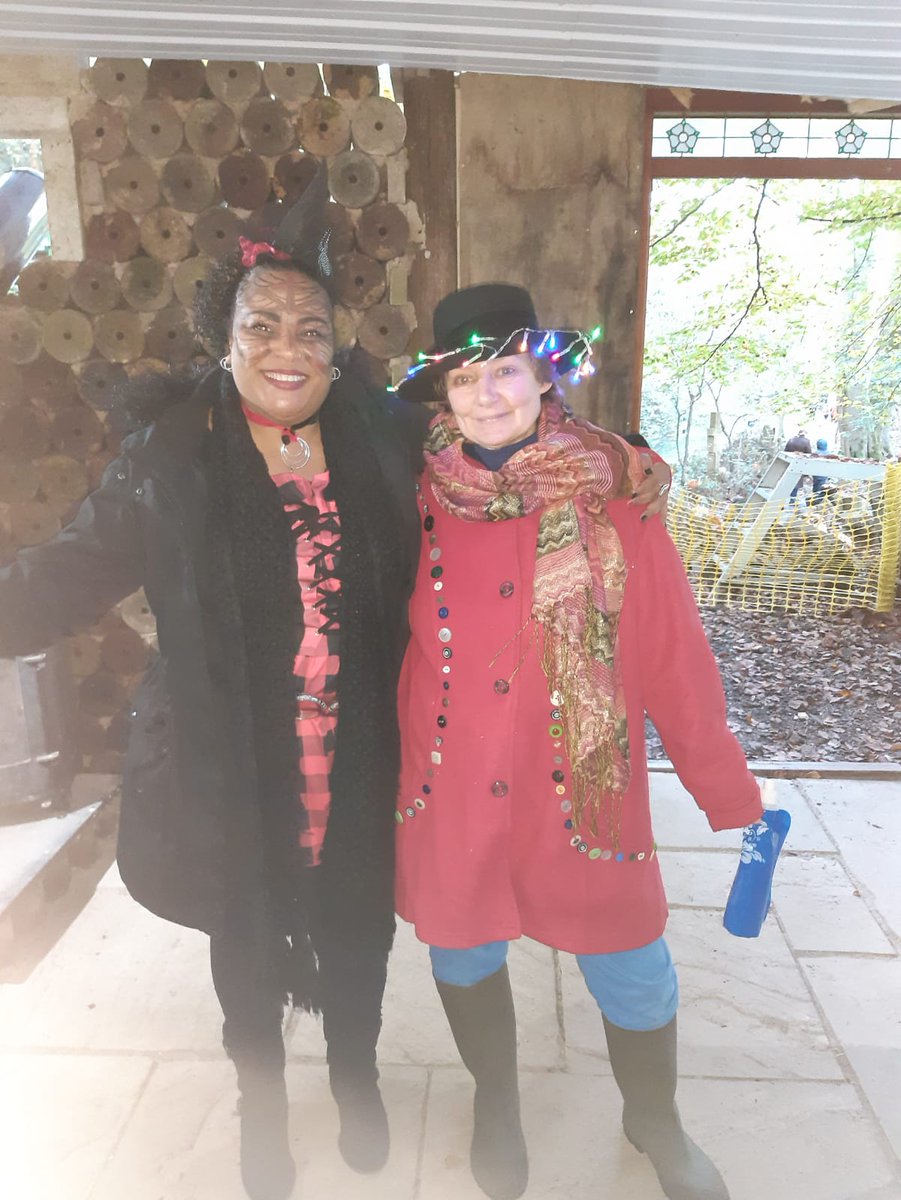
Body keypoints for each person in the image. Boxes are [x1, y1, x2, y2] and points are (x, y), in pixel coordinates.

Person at [0, 183, 428, 1200]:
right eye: (263, 324)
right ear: (225, 339)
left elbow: (503, 474)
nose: (288, 346)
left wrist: (616, 461)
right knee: (245, 930)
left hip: (363, 741)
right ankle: (261, 1104)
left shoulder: (385, 439)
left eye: (310, 328)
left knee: (360, 918)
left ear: (335, 345)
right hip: (228, 747)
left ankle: (356, 1072)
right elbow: (68, 570)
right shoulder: (173, 453)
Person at [393, 284, 763, 1200]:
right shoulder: (411, 498)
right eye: (465, 377)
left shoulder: (616, 495)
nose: (486, 394)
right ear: (444, 397)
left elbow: (674, 655)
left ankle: (654, 1117)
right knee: (464, 950)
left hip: (579, 782)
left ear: (542, 376)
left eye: (504, 370)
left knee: (631, 959)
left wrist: (727, 792)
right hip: (451, 776)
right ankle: (495, 1101)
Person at [784, 429, 813, 501]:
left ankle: (783, 499)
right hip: (799, 464)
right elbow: (809, 454)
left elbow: (785, 451)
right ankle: (792, 499)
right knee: (796, 481)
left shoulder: (791, 440)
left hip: (790, 462)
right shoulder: (806, 441)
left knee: (787, 481)